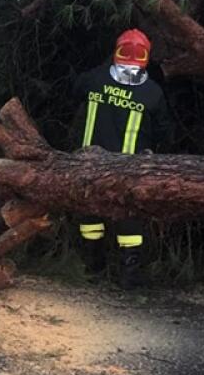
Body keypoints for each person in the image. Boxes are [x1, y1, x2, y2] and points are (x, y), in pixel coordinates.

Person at [72, 28, 172, 289]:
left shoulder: (95, 79)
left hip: (88, 165)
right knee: (129, 219)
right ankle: (129, 276)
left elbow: (74, 88)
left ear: (115, 52)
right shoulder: (152, 92)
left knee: (90, 216)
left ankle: (93, 269)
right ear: (146, 58)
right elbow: (164, 132)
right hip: (129, 169)